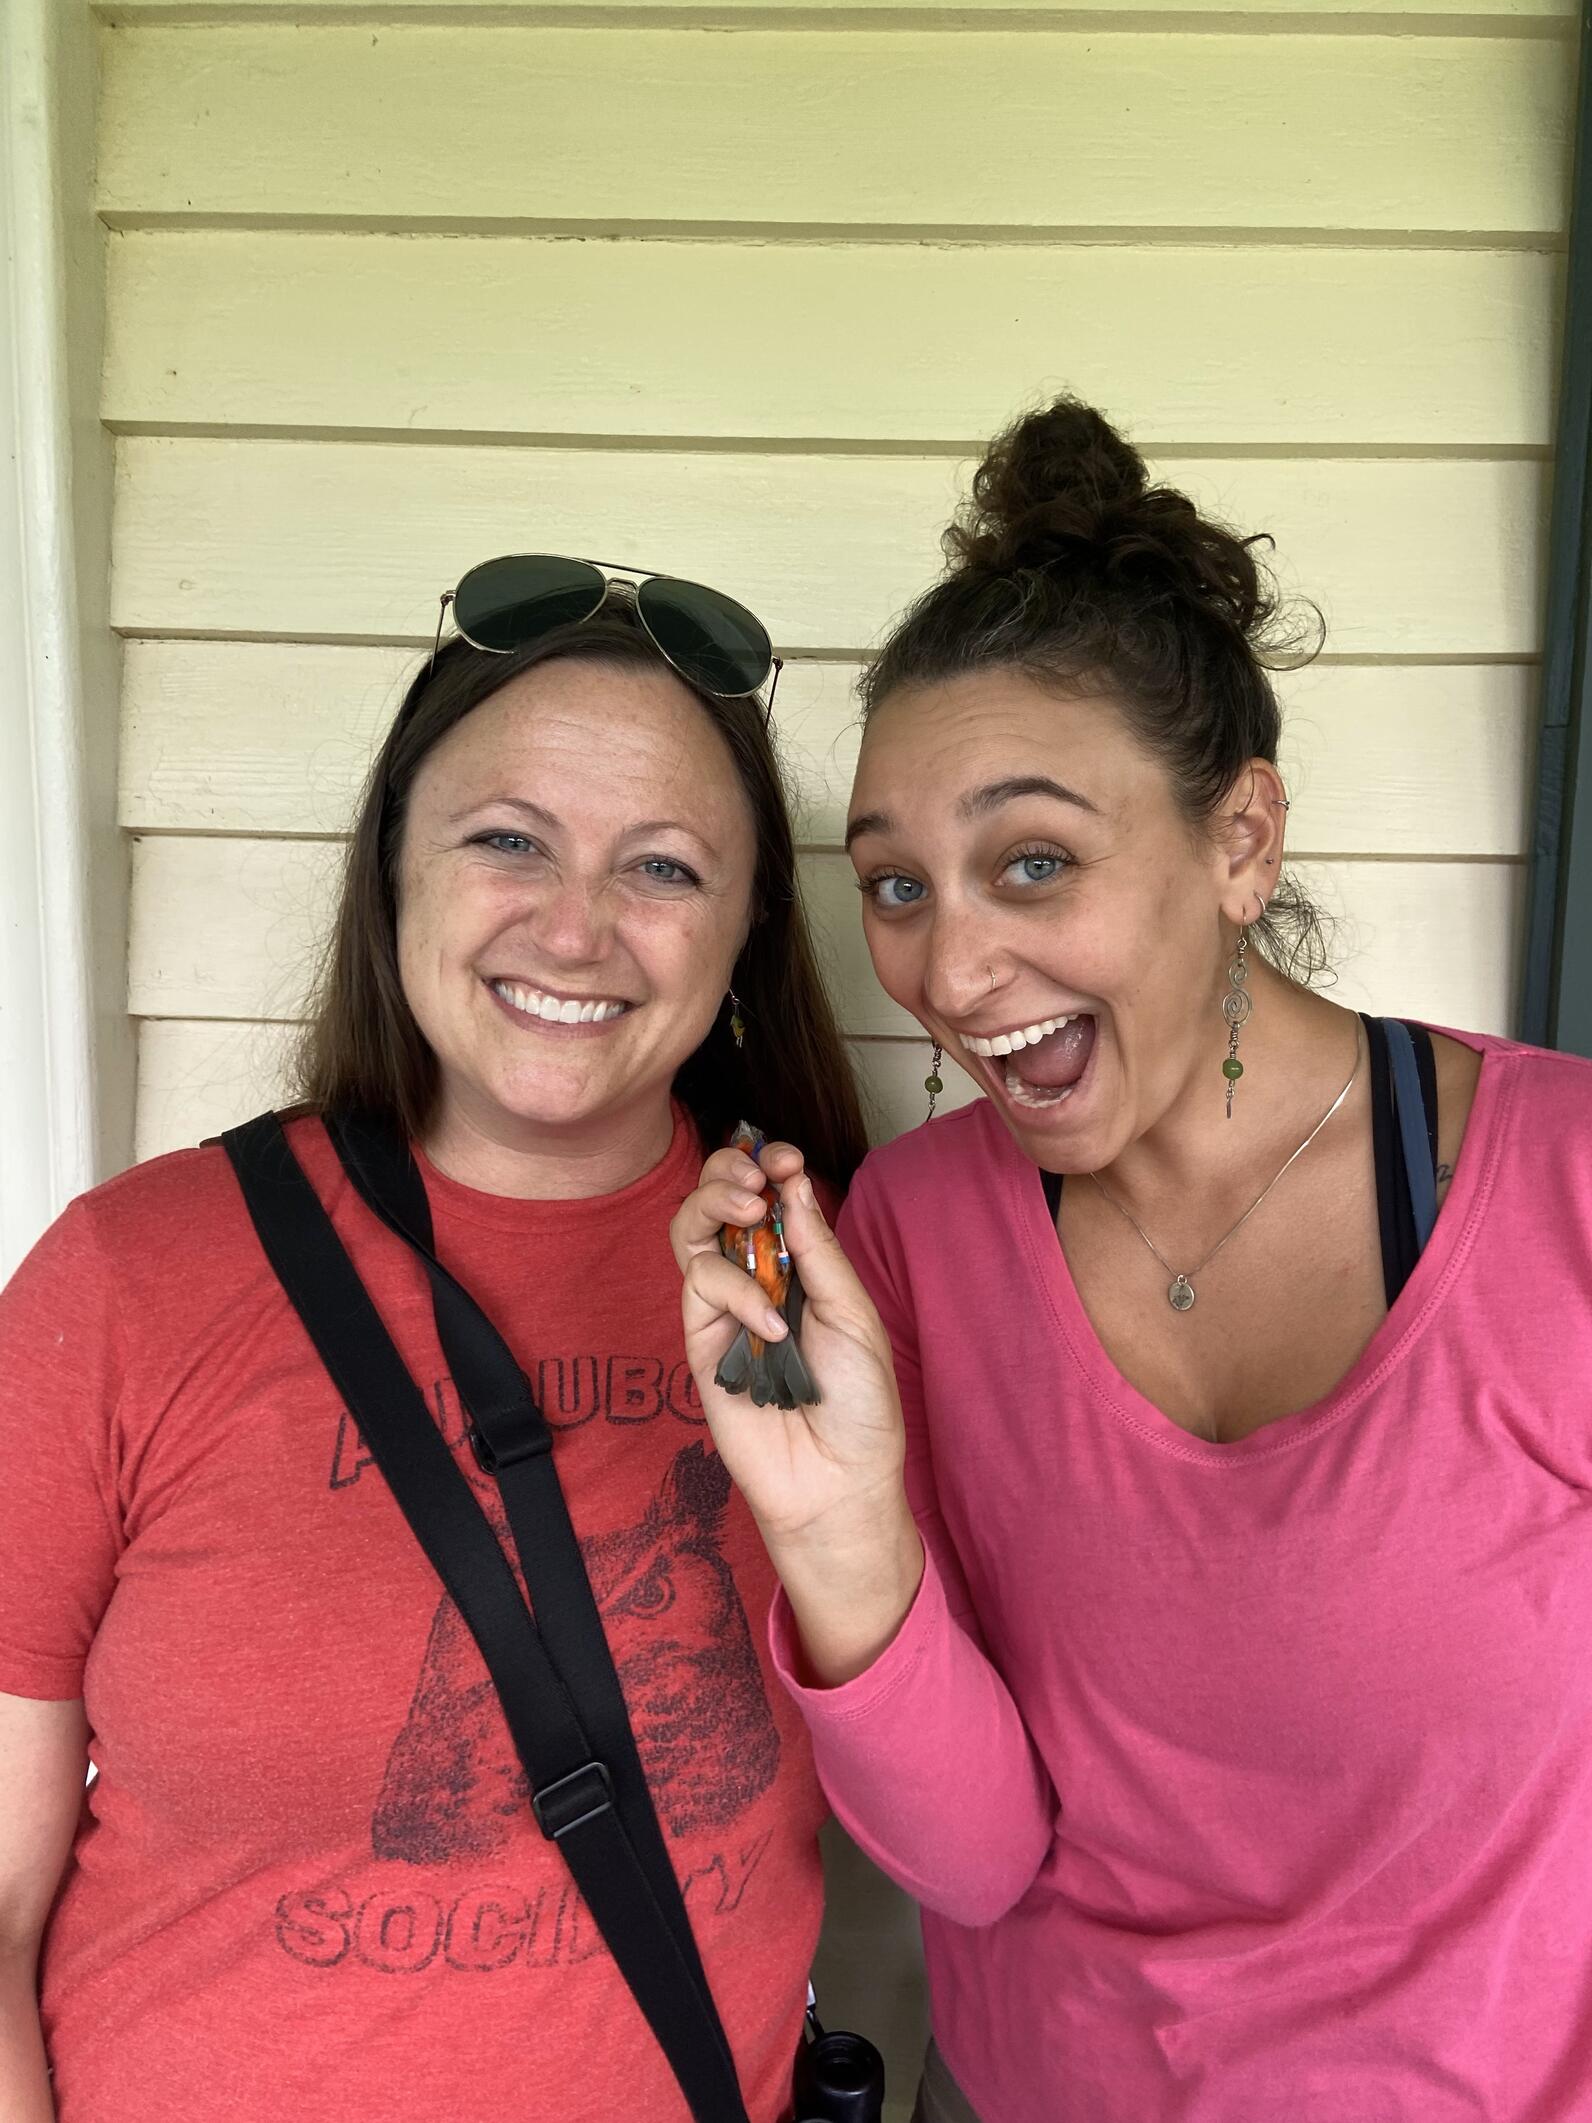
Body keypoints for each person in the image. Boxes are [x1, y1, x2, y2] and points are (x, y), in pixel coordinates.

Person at [672, 401, 1592, 2123]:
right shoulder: (914, 1247)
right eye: (894, 888)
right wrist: (830, 1524)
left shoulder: (1558, 1192)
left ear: (1241, 844)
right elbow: (972, 1860)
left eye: (1035, 863)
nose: (948, 970)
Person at [0, 558, 868, 2123]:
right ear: (393, 862)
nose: (577, 926)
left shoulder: (831, 1282)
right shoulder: (124, 1282)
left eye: (664, 868)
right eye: (507, 840)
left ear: (747, 928)